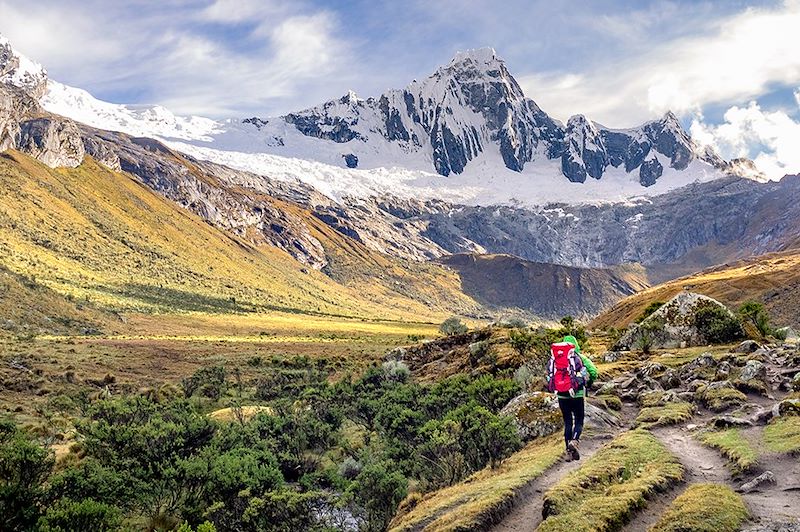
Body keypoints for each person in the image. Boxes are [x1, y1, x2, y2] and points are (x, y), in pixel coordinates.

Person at [549, 335, 597, 461]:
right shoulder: (580, 357)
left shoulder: (556, 358)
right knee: (579, 420)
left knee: (568, 422)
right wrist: (588, 383)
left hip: (561, 394)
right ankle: (574, 441)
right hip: (577, 394)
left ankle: (568, 452)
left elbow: (550, 375)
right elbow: (593, 371)